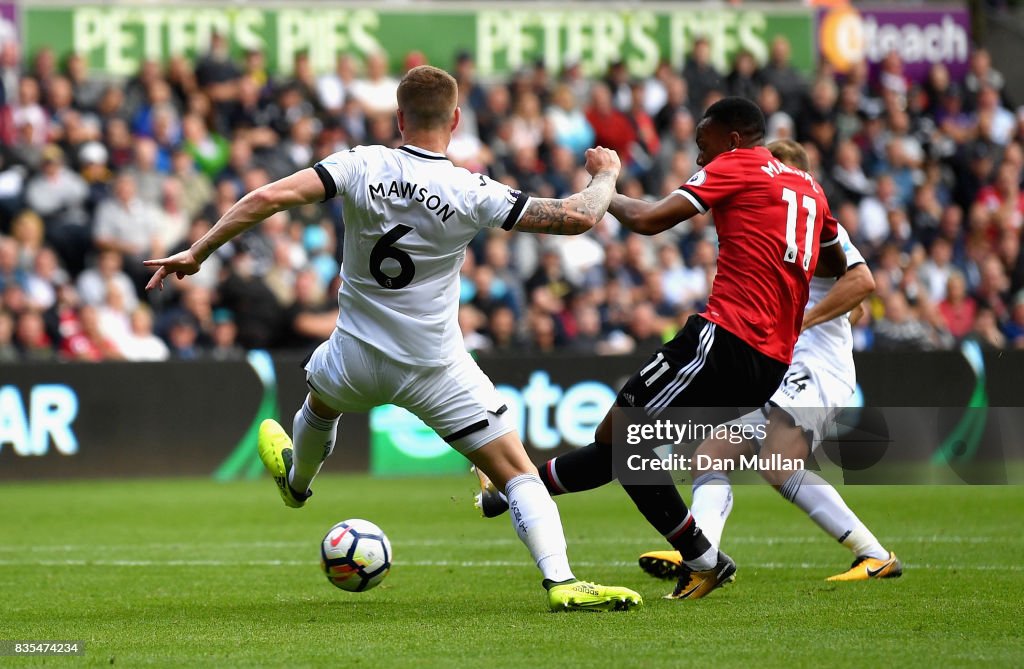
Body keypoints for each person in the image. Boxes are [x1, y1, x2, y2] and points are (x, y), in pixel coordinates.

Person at [143, 65, 641, 612]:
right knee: (518, 473)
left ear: (399, 118)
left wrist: (198, 252)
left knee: (320, 402)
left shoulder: (361, 163)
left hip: (352, 354)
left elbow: (268, 197)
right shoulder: (471, 189)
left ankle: (298, 482)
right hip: (433, 366)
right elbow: (576, 217)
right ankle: (562, 581)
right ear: (454, 120)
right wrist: (605, 175)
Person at [475, 97, 847, 600]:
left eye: (703, 145)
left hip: (726, 340)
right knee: (623, 447)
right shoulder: (809, 187)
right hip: (771, 359)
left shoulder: (738, 164)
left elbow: (650, 220)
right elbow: (831, 265)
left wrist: (603, 183)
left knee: (624, 443)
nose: (699, 158)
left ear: (732, 139)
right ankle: (509, 492)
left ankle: (703, 559)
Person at [637, 139, 902, 584]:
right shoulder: (771, 227)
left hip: (815, 367)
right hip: (783, 369)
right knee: (710, 455)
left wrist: (803, 319)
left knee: (778, 464)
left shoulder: (812, 220)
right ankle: (703, 558)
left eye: (774, 168)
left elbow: (862, 281)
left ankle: (873, 555)